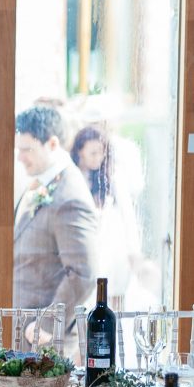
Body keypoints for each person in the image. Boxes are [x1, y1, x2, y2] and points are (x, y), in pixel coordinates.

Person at [12, 105, 99, 325]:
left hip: (45, 342)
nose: (20, 157)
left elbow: (83, 273)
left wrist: (48, 325)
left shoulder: (69, 196)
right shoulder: (40, 182)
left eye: (27, 150)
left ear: (52, 144)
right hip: (23, 330)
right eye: (18, 149)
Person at [72, 122, 141, 303]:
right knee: (88, 300)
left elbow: (128, 214)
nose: (98, 158)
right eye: (92, 153)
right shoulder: (73, 177)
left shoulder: (112, 177)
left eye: (101, 152)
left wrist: (133, 250)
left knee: (116, 296)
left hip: (113, 246)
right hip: (84, 249)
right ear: (80, 151)